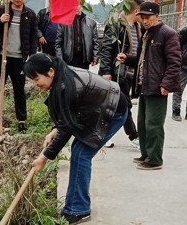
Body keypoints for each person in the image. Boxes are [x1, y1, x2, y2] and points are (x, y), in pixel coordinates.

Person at [26, 53, 127, 225]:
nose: (35, 84)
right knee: (79, 151)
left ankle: (78, 209)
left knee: (81, 154)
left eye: (36, 79)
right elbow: (62, 113)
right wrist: (54, 129)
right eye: (32, 81)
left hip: (113, 111)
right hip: (97, 109)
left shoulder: (68, 84)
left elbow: (66, 128)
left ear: (50, 71)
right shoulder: (60, 76)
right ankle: (74, 206)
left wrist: (44, 158)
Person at [117, 1, 181, 170]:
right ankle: (146, 154)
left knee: (154, 125)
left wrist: (166, 83)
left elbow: (174, 62)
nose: (145, 21)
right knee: (143, 123)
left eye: (148, 17)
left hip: (158, 87)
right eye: (142, 17)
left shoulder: (168, 34)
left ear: (157, 16)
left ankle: (155, 159)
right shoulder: (146, 33)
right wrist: (128, 59)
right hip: (144, 85)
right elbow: (141, 60)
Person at [0, 0, 42, 133]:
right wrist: (0, 20)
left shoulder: (30, 14)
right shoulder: (1, 10)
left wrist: (31, 58)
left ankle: (22, 120)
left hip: (19, 59)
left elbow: (33, 38)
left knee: (19, 90)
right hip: (1, 57)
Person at [98, 0, 144, 148]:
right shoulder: (116, 25)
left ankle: (101, 134)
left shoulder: (137, 27)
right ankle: (134, 135)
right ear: (136, 11)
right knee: (125, 105)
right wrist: (105, 70)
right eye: (142, 12)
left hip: (130, 73)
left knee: (111, 106)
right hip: (117, 72)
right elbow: (106, 48)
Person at [55, 3, 99, 70]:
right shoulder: (63, 22)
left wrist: (95, 58)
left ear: (81, 6)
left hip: (84, 59)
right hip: (68, 58)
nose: (75, 7)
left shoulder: (91, 23)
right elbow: (58, 43)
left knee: (83, 79)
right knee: (69, 79)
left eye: (77, 5)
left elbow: (95, 42)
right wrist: (60, 59)